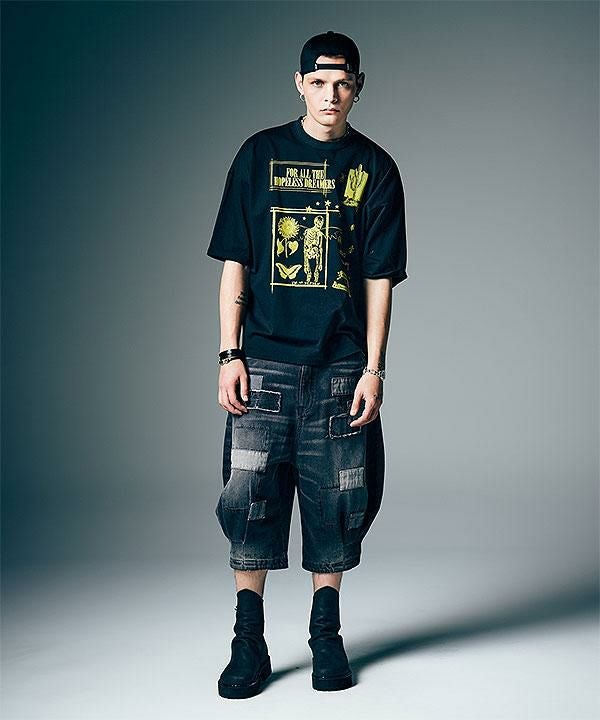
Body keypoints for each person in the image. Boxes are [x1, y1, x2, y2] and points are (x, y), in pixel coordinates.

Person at [206, 30, 409, 699]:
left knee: (339, 500)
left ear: (358, 87)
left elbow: (379, 278)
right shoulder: (259, 155)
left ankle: (327, 633)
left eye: (342, 83)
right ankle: (248, 638)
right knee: (248, 500)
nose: (330, 95)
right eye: (318, 82)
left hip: (340, 366)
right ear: (299, 83)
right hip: (264, 360)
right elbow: (235, 260)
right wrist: (229, 351)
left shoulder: (375, 169)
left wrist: (375, 368)